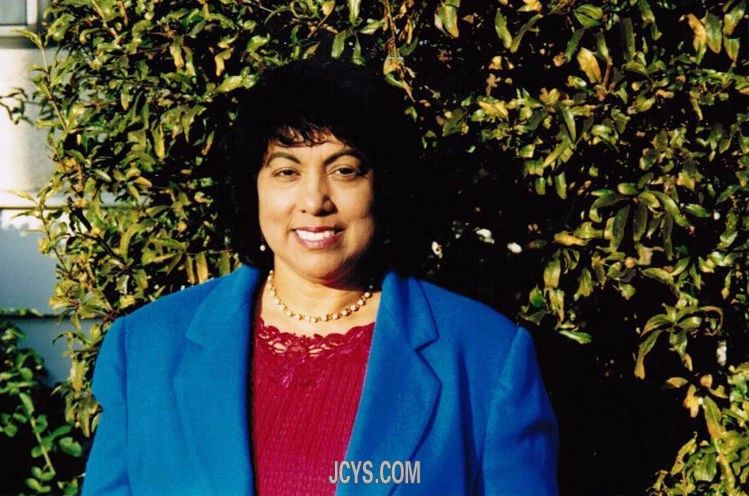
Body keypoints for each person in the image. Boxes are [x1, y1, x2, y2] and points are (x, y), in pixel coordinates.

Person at [82, 57, 558, 496]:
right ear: (253, 186)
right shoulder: (145, 347)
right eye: (286, 171)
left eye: (345, 170)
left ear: (384, 186)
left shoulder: (485, 356)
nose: (314, 200)